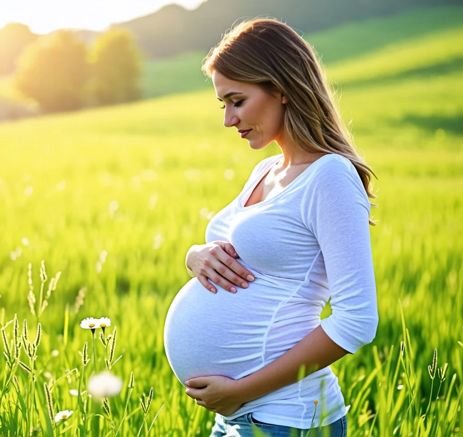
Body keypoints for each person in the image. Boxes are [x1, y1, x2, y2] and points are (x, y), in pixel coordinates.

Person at [162, 18, 378, 437]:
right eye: (222, 104)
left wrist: (242, 389)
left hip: (286, 416)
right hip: (237, 415)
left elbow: (356, 321)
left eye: (237, 101)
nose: (228, 119)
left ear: (280, 88)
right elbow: (222, 245)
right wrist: (194, 256)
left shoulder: (330, 175)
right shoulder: (267, 170)